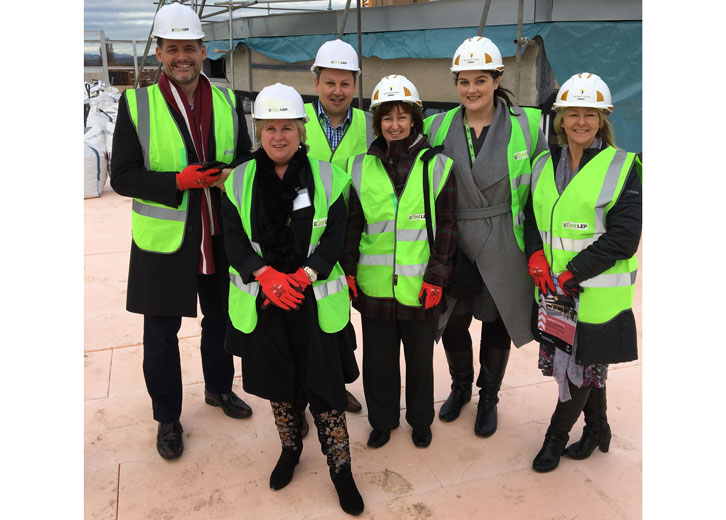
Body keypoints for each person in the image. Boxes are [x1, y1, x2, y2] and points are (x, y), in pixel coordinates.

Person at [110, 2, 253, 460]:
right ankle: (168, 418)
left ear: (203, 49)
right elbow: (123, 176)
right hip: (166, 241)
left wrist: (234, 174)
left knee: (221, 322)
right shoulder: (137, 104)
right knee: (161, 335)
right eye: (173, 49)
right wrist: (177, 182)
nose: (182, 57)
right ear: (159, 53)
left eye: (189, 48)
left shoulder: (229, 101)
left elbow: (248, 165)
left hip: (218, 236)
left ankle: (218, 389)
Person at [221, 83, 364, 515]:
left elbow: (336, 235)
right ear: (258, 131)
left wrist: (302, 276)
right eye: (269, 128)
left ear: (302, 132)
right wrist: (266, 277)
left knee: (325, 390)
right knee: (280, 388)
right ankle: (290, 449)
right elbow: (234, 240)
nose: (278, 136)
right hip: (268, 304)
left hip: (313, 303)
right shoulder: (240, 180)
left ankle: (341, 469)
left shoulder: (327, 177)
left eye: (287, 127)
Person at [423, 36, 548, 437]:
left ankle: (488, 395)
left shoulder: (527, 126)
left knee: (499, 322)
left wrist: (540, 248)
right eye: (463, 81)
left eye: (481, 80)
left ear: (497, 79)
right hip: (454, 239)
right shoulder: (436, 125)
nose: (472, 89)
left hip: (505, 241)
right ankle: (461, 388)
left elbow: (543, 191)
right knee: (453, 321)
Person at [524, 72, 641, 472]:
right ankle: (597, 428)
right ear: (560, 118)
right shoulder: (544, 163)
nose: (580, 122)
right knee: (589, 366)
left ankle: (554, 438)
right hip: (556, 292)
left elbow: (624, 237)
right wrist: (535, 255)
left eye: (590, 114)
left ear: (602, 119)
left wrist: (573, 273)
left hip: (593, 295)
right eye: (572, 113)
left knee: (579, 367)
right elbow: (530, 216)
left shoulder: (623, 166)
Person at [342, 75, 457, 449]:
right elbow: (353, 225)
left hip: (419, 284)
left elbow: (448, 228)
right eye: (387, 117)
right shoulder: (360, 166)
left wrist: (437, 277)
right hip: (374, 285)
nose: (394, 125)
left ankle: (420, 421)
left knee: (420, 362)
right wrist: (347, 270)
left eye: (402, 117)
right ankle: (382, 420)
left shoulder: (438, 165)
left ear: (415, 120)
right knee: (379, 362)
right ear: (377, 122)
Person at [304, 38, 375, 415]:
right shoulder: (294, 118)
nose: (337, 91)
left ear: (355, 85)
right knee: (300, 318)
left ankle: (335, 384)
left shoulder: (368, 123)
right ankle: (299, 392)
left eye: (345, 83)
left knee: (337, 315)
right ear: (316, 83)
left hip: (347, 238)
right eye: (330, 82)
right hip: (300, 237)